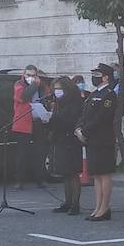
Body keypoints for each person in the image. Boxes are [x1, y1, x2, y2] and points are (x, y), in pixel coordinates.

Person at [76, 63, 119, 220]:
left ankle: (104, 208)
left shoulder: (109, 95)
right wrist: (79, 128)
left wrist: (84, 131)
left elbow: (101, 118)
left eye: (97, 75)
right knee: (96, 175)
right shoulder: (93, 94)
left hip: (103, 140)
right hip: (92, 140)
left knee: (104, 174)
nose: (94, 78)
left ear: (106, 77)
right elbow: (85, 114)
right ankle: (97, 206)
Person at [49, 76, 86, 216]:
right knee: (65, 173)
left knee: (73, 173)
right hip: (60, 139)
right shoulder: (58, 102)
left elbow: (71, 120)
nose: (57, 91)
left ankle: (75, 204)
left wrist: (55, 119)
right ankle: (67, 202)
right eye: (55, 89)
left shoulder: (74, 101)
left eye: (59, 89)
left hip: (71, 139)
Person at [10, 65, 47, 191]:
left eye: (33, 75)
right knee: (22, 154)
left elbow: (47, 98)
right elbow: (23, 97)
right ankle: (20, 180)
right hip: (23, 123)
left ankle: (40, 179)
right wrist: (34, 85)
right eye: (28, 75)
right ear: (24, 75)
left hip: (38, 121)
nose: (30, 78)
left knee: (39, 153)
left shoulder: (42, 85)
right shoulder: (19, 84)